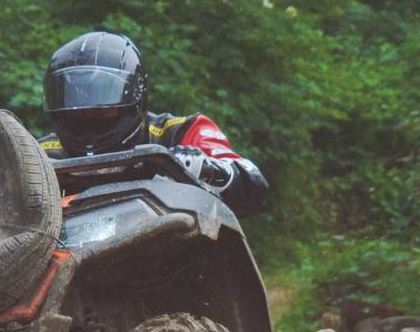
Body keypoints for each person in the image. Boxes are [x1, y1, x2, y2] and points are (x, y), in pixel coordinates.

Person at [38, 30, 268, 216]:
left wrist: (207, 169)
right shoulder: (38, 154)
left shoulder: (181, 131)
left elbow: (253, 182)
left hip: (173, 256)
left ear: (134, 96)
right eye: (76, 100)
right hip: (72, 261)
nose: (88, 112)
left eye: (103, 102)